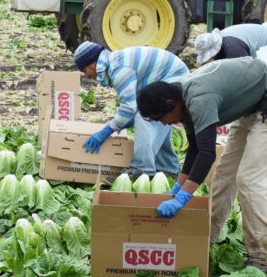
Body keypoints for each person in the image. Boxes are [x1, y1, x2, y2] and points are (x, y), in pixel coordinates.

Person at [136, 56, 267, 270]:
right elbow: (194, 149)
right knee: (224, 175)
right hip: (250, 106)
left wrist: (183, 198)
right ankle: (205, 240)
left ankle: (263, 257)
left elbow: (206, 153)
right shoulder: (181, 103)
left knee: (248, 179)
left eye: (161, 118)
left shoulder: (198, 99)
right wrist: (177, 188)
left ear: (169, 104)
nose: (165, 123)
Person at [73, 41, 188, 178]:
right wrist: (124, 121)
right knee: (156, 121)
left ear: (92, 64)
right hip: (169, 79)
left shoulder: (119, 69)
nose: (87, 76)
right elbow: (132, 104)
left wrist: (106, 131)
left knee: (147, 114)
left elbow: (128, 109)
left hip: (175, 80)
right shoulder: (114, 63)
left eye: (85, 71)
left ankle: (140, 169)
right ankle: (168, 169)